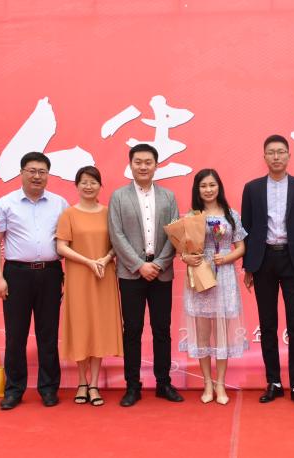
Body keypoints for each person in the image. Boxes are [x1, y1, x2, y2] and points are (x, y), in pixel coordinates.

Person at [0, 152, 68, 410]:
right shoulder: (5, 203)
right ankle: (14, 390)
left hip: (51, 273)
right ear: (21, 173)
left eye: (42, 172)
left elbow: (67, 241)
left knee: (48, 334)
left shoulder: (60, 203)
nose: (37, 176)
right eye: (31, 171)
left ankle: (49, 388)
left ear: (48, 175)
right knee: (15, 335)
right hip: (17, 275)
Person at [241, 134, 294, 408]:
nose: (276, 157)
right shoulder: (252, 189)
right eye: (271, 152)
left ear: (288, 156)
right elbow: (246, 229)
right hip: (263, 261)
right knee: (268, 325)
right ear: (264, 157)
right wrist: (248, 266)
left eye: (281, 152)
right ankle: (273, 381)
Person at [108, 143, 182, 407]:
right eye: (138, 162)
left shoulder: (168, 197)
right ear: (130, 165)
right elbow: (116, 235)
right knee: (132, 330)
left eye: (148, 162)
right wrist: (139, 265)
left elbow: (175, 232)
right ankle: (132, 386)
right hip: (131, 273)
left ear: (156, 165)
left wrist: (158, 264)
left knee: (162, 329)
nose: (143, 166)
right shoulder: (118, 197)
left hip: (161, 272)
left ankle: (163, 383)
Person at [56, 166, 123, 407]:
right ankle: (82, 382)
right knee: (82, 326)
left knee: (99, 327)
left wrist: (105, 259)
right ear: (76, 185)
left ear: (100, 186)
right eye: (84, 182)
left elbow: (117, 244)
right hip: (78, 277)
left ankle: (94, 384)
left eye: (93, 182)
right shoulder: (68, 214)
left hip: (103, 275)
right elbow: (61, 247)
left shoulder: (108, 213)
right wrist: (88, 262)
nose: (88, 186)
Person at [180, 169, 248, 405]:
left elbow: (241, 247)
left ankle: (220, 384)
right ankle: (207, 383)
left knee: (221, 335)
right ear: (197, 189)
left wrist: (226, 258)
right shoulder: (192, 216)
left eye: (212, 185)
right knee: (202, 334)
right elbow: (183, 250)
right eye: (203, 186)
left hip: (225, 276)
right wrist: (186, 258)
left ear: (219, 186)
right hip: (200, 275)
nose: (208, 190)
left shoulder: (231, 214)